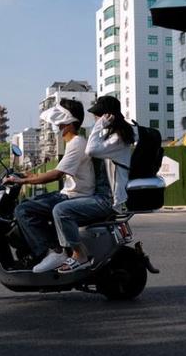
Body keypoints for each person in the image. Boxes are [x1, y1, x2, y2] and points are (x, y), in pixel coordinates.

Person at [4, 99, 101, 273]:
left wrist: (23, 181)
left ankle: (54, 252)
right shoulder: (74, 143)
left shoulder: (77, 143)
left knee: (23, 210)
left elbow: (56, 174)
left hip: (76, 196)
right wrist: (23, 175)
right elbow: (56, 170)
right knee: (27, 205)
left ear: (70, 124)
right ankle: (50, 249)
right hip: (69, 193)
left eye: (60, 123)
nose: (58, 127)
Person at [52, 96, 135, 274]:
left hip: (108, 200)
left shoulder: (118, 139)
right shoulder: (110, 137)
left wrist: (99, 126)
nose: (96, 119)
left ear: (108, 116)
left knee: (61, 210)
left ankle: (78, 255)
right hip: (100, 195)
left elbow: (91, 149)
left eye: (98, 116)